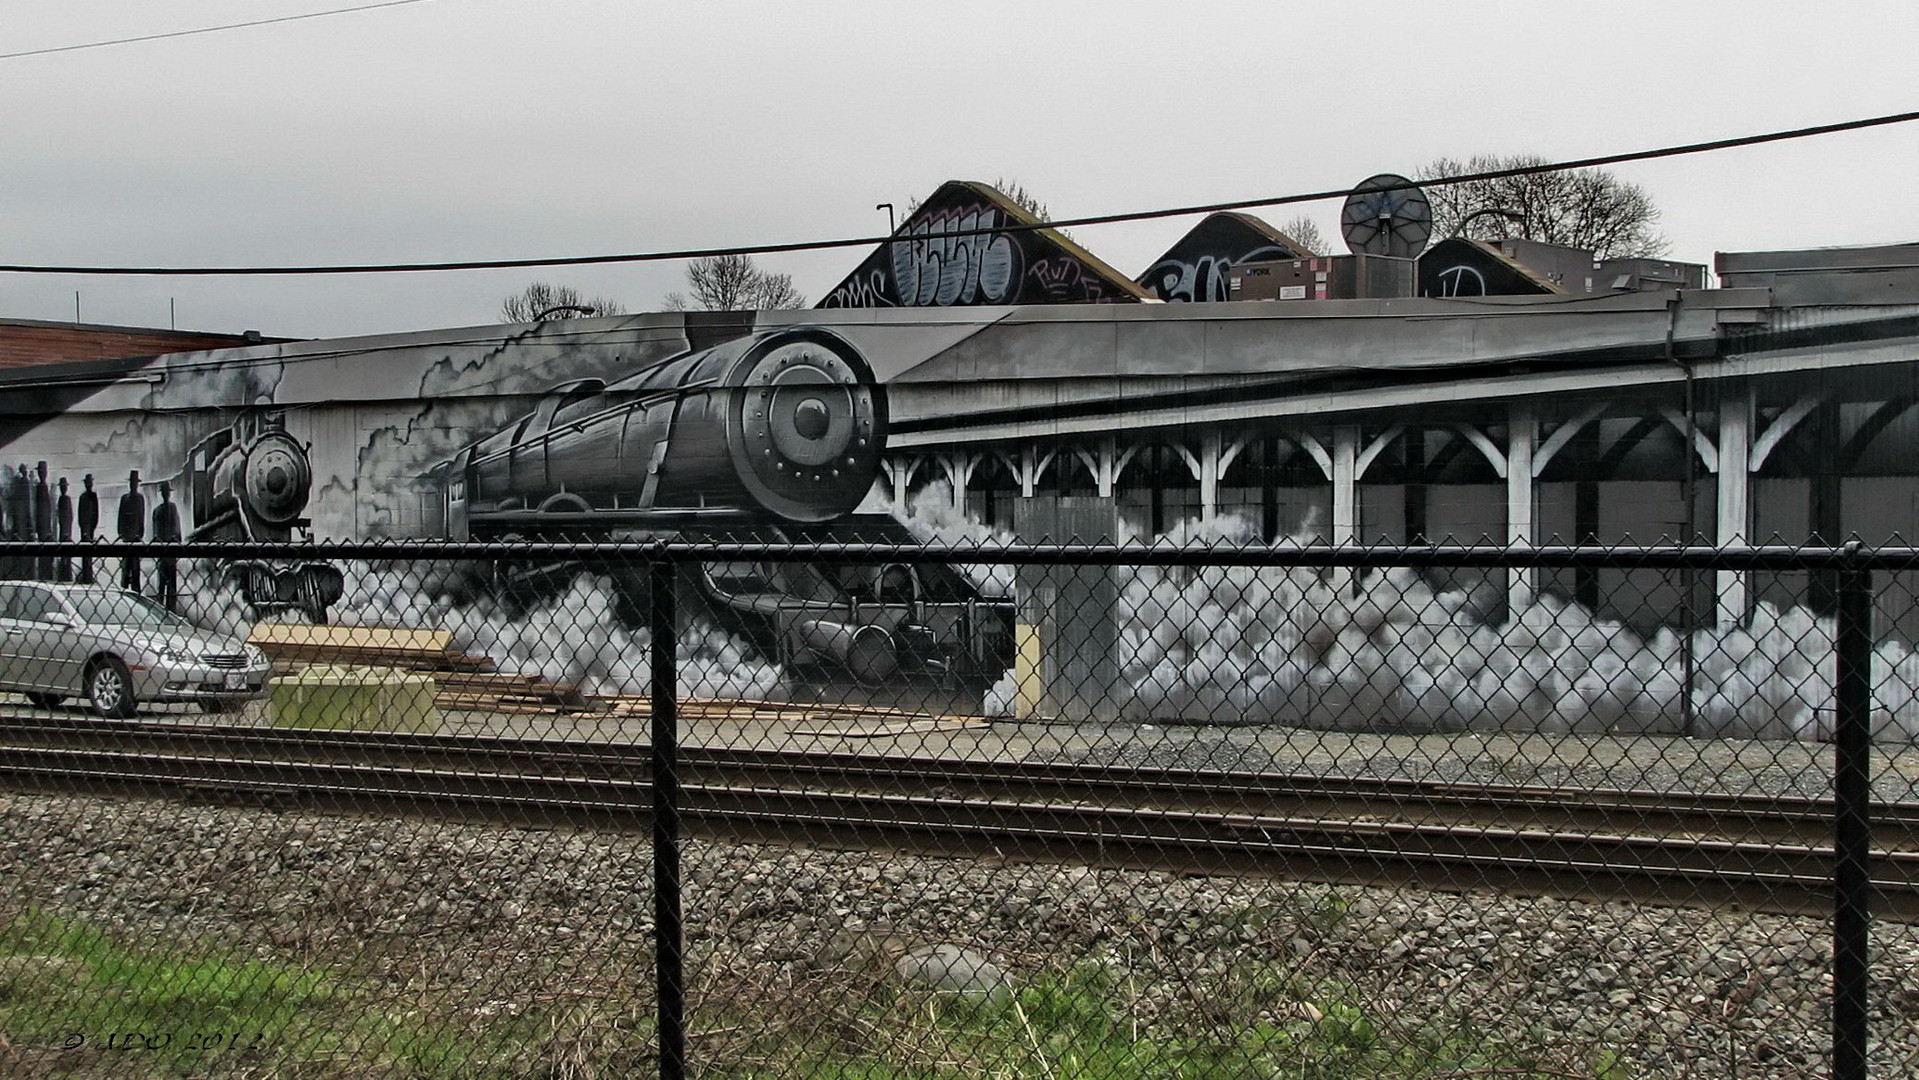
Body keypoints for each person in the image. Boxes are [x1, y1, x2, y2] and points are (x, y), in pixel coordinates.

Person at [152, 479, 182, 610]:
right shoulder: (159, 511)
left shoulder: (171, 508)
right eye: (165, 492)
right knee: (164, 583)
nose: (166, 495)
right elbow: (156, 532)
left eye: (167, 492)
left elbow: (177, 529)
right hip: (165, 551)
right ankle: (165, 608)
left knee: (168, 584)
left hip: (168, 551)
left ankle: (170, 609)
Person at [118, 470, 146, 593]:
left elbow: (141, 517)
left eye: (135, 483)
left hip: (136, 539)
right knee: (125, 570)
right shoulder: (124, 499)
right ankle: (124, 592)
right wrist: (121, 534)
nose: (133, 485)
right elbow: (120, 517)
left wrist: (139, 535)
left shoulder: (140, 499)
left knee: (135, 571)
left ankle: (136, 591)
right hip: (126, 539)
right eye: (132, 483)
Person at [76, 474, 98, 584]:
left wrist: (93, 526)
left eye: (90, 482)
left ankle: (89, 574)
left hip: (90, 526)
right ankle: (86, 575)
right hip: (84, 527)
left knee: (89, 551)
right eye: (87, 483)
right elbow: (80, 514)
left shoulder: (93, 496)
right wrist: (84, 529)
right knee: (85, 552)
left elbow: (96, 513)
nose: (89, 484)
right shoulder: (83, 497)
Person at [55, 476, 74, 582]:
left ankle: (66, 573)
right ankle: (65, 573)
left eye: (64, 487)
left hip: (66, 529)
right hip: (64, 529)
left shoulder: (66, 499)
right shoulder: (62, 499)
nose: (63, 489)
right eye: (62, 487)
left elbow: (69, 516)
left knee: (66, 553)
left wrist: (67, 531)